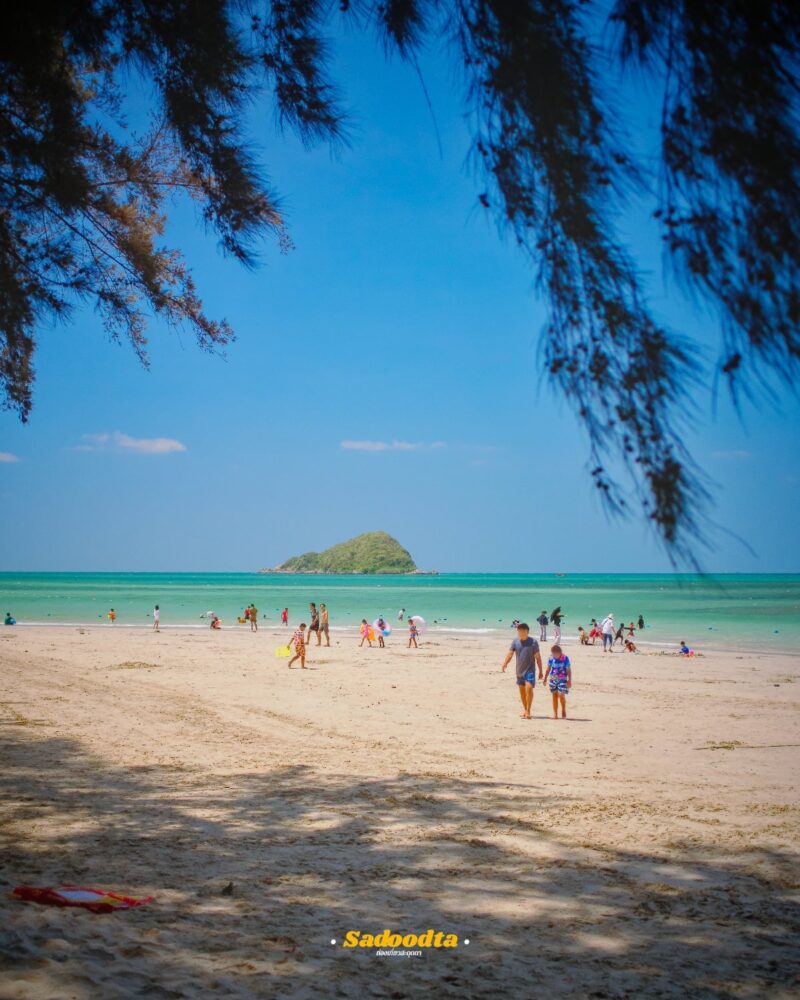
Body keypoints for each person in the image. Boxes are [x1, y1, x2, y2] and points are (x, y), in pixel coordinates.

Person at [500, 622, 542, 720]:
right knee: (522, 691)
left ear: (527, 631)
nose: (520, 632)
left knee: (529, 687)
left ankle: (528, 710)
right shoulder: (515, 641)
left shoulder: (533, 642)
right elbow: (510, 653)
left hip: (530, 670)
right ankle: (525, 709)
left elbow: (538, 657)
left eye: (522, 631)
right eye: (518, 631)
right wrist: (505, 663)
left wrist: (540, 670)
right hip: (519, 670)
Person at [544, 643, 571, 719]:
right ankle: (555, 714)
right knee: (554, 695)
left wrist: (569, 680)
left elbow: (568, 670)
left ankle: (563, 710)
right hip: (553, 678)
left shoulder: (565, 658)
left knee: (561, 695)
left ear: (560, 653)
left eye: (556, 654)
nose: (554, 656)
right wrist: (545, 678)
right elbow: (548, 668)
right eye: (553, 654)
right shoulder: (551, 658)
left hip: (562, 678)